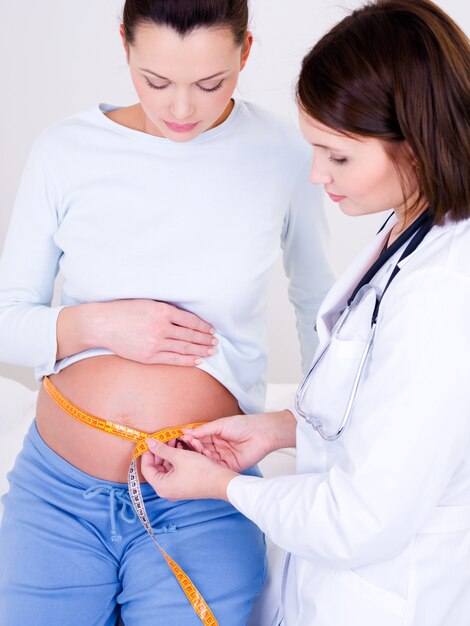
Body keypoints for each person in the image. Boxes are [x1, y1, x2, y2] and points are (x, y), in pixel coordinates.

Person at [0, 1, 334, 625]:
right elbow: (6, 318)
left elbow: (317, 306)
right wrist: (99, 324)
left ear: (247, 53)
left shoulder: (283, 155)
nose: (182, 109)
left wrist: (316, 430)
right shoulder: (66, 150)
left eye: (211, 83)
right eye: (156, 82)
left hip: (204, 495)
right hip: (58, 495)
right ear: (124, 45)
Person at [139, 1, 470, 624]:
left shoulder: (448, 290)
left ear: (418, 143)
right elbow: (383, 409)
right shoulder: (411, 233)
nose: (317, 174)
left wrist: (223, 488)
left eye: (338, 156)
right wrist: (276, 430)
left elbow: (361, 520)